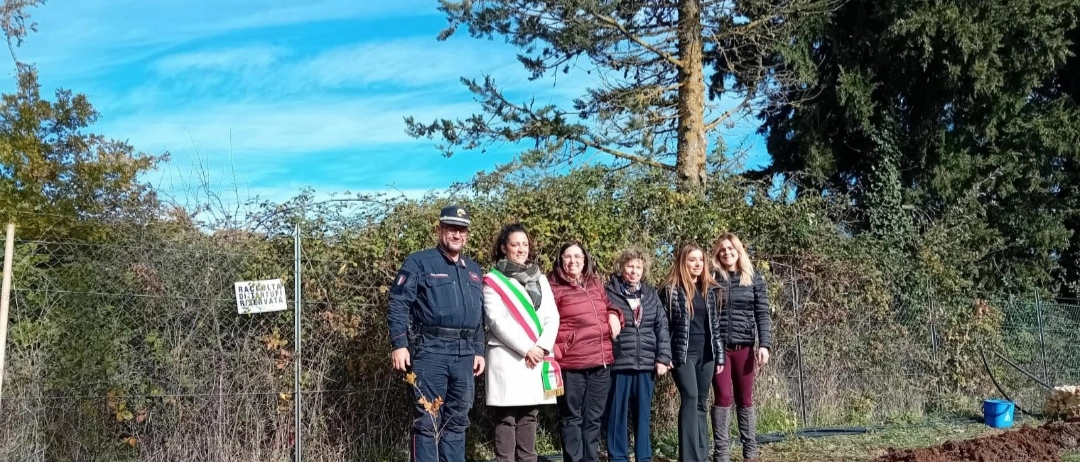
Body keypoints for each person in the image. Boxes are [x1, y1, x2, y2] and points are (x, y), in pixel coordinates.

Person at [387, 205, 486, 462]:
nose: (457, 234)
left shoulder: (474, 269)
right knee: (428, 420)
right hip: (430, 351)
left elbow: (479, 316)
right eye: (452, 228)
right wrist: (399, 343)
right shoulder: (419, 262)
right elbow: (398, 302)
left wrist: (479, 350)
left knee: (457, 419)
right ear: (439, 229)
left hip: (464, 356)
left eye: (462, 230)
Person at [481, 223, 561, 462]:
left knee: (530, 415)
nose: (521, 249)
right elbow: (496, 321)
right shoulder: (492, 280)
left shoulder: (540, 278)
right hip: (509, 357)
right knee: (506, 417)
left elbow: (552, 316)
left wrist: (542, 346)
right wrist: (528, 348)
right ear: (504, 248)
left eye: (524, 244)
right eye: (515, 244)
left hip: (536, 356)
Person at [548, 241, 624, 462]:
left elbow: (610, 306)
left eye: (577, 257)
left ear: (585, 260)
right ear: (561, 260)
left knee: (593, 419)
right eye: (568, 256)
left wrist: (614, 314)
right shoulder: (552, 286)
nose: (573, 261)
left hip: (601, 361)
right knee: (572, 418)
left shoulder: (595, 283)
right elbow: (544, 320)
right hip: (572, 363)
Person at [709, 233, 772, 462]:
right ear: (718, 253)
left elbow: (762, 313)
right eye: (722, 249)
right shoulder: (713, 279)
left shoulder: (753, 278)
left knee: (745, 399)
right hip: (720, 350)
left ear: (738, 250)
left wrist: (764, 344)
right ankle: (722, 453)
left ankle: (750, 451)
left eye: (730, 248)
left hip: (745, 348)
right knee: (723, 397)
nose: (726, 252)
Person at [605, 248, 672, 462]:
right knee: (617, 415)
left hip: (645, 364)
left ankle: (644, 457)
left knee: (643, 416)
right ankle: (617, 457)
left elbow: (662, 326)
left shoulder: (651, 294)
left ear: (644, 271)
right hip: (619, 363)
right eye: (630, 266)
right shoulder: (609, 293)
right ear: (622, 268)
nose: (634, 271)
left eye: (638, 267)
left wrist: (662, 357)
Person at [659, 243, 724, 462]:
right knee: (690, 397)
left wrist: (720, 356)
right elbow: (664, 326)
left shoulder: (711, 289)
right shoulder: (670, 290)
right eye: (691, 260)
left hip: (707, 353)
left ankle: (702, 455)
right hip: (683, 353)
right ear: (682, 263)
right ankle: (688, 457)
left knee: (701, 401)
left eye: (700, 260)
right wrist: (665, 354)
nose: (697, 264)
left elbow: (715, 326)